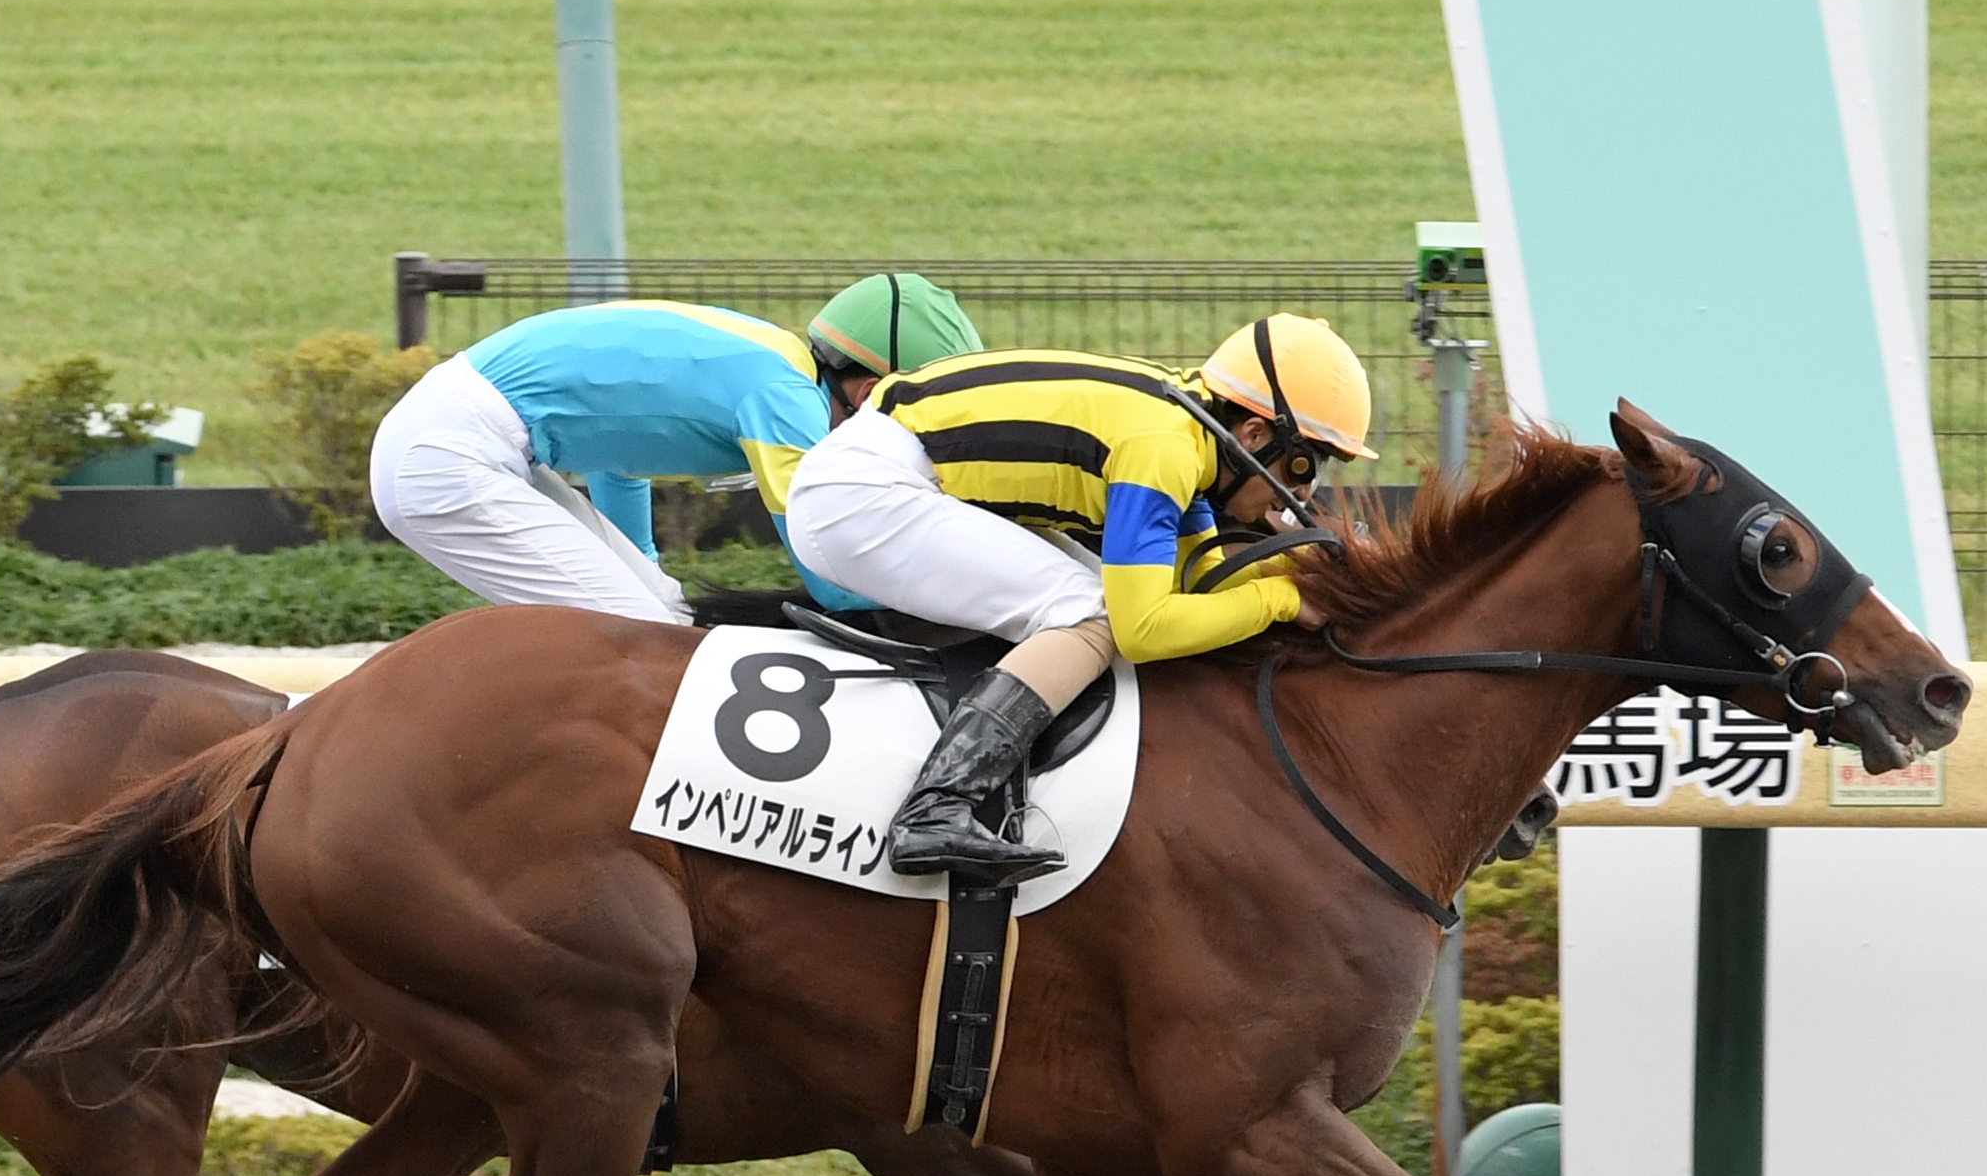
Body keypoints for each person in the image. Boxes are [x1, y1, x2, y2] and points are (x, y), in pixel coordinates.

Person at [782, 314, 1374, 885]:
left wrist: (1307, 580)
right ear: (1253, 434)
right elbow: (1144, 628)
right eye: (1306, 464)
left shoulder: (1189, 433)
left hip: (887, 477)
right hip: (863, 495)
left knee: (1097, 602)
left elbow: (1202, 588)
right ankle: (936, 808)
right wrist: (1279, 601)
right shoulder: (1163, 447)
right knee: (1093, 613)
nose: (1301, 491)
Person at [369, 275, 984, 620]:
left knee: (666, 611)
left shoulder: (777, 360)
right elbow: (830, 572)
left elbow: (619, 456)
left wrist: (639, 561)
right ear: (871, 390)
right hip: (448, 455)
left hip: (465, 440)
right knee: (644, 633)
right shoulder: (784, 398)